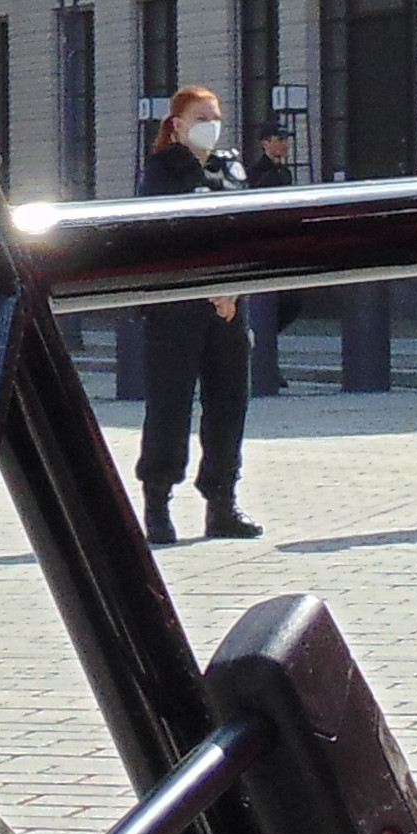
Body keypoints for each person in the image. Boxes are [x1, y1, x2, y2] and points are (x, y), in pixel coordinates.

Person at [132, 84, 260, 546]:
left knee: (229, 404)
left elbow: (246, 229)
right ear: (178, 124)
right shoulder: (163, 169)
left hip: (228, 308)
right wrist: (209, 288)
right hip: (178, 309)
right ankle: (158, 503)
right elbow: (171, 234)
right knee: (170, 406)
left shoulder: (231, 166)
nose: (212, 124)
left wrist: (234, 288)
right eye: (202, 117)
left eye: (216, 115)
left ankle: (222, 503)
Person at [243, 114, 302, 396]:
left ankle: (261, 348)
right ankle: (263, 360)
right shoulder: (257, 174)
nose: (284, 145)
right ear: (265, 143)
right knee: (270, 305)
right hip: (263, 248)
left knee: (292, 302)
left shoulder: (286, 174)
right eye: (279, 139)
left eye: (286, 140)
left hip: (285, 247)